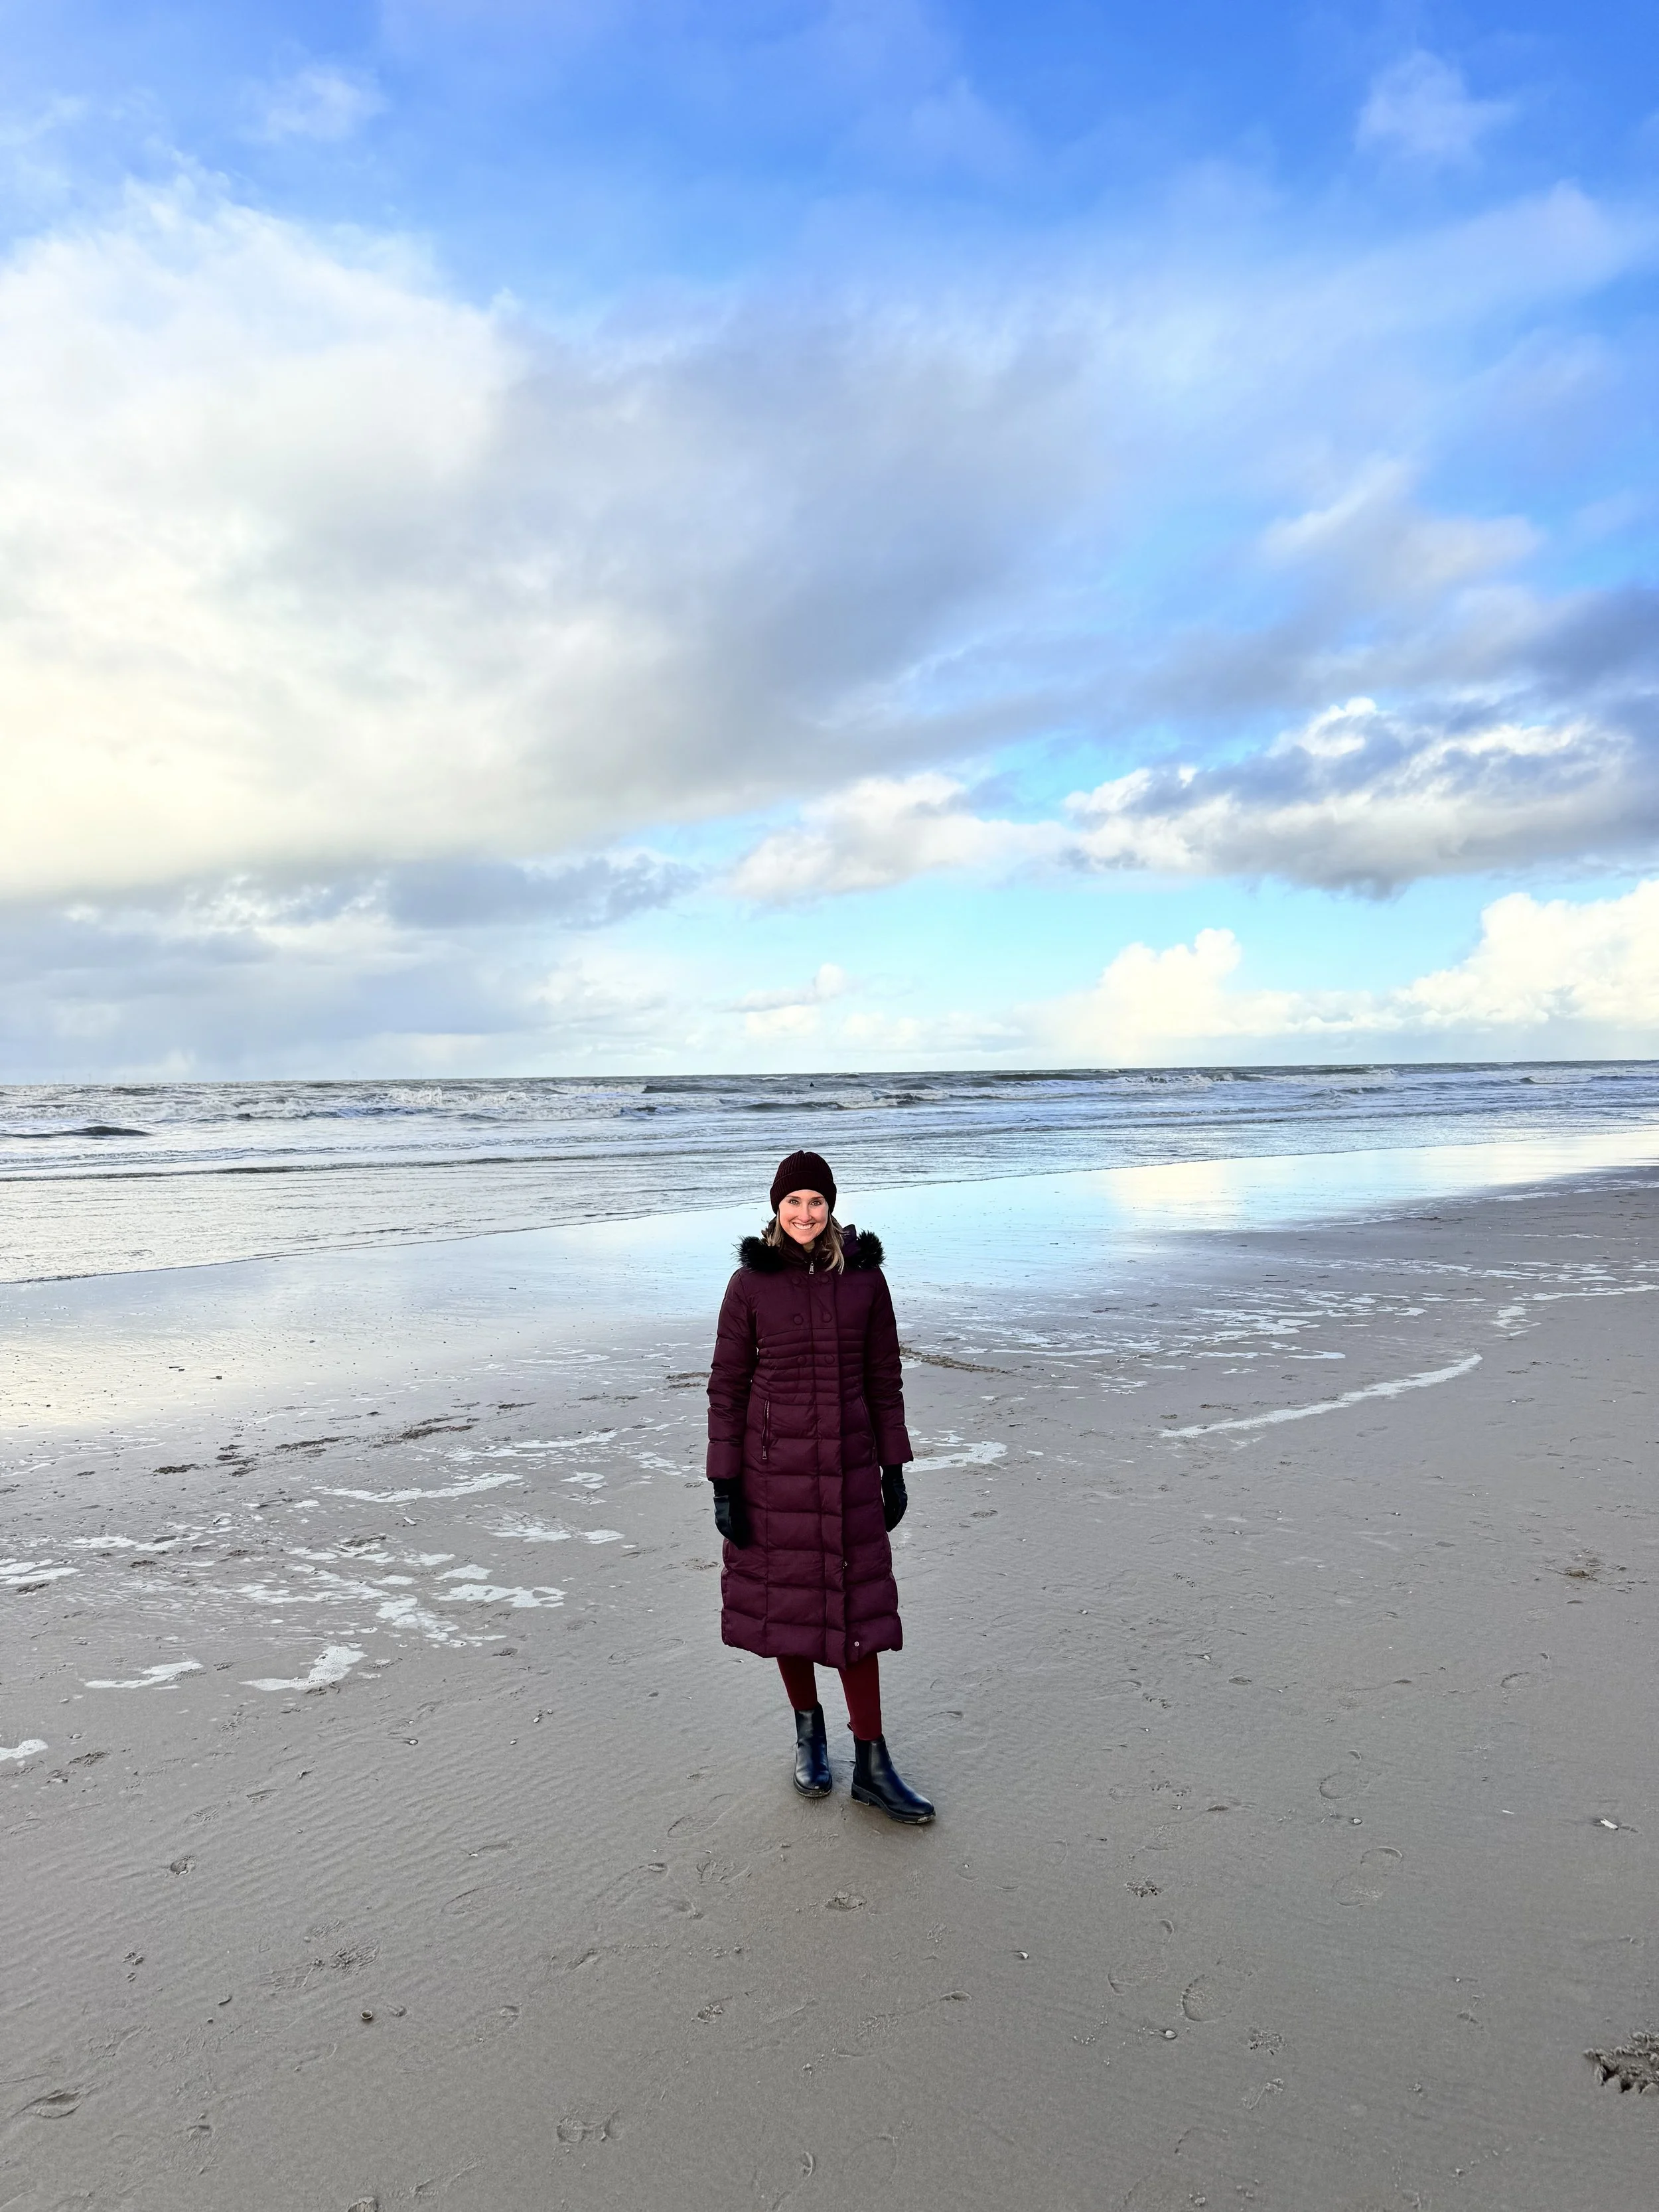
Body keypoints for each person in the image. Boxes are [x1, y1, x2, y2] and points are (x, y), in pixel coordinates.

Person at [705, 1149, 934, 1823]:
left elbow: (884, 1377)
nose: (804, 1214)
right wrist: (724, 1482)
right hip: (770, 1476)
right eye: (791, 1202)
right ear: (775, 1209)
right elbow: (727, 1388)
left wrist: (893, 1467)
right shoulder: (749, 1285)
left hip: (849, 1470)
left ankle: (872, 1762)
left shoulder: (865, 1282)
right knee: (790, 1615)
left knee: (858, 1617)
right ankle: (809, 1736)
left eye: (815, 1201)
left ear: (831, 1206)